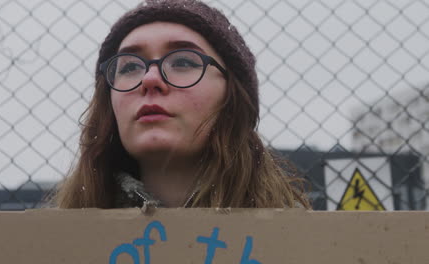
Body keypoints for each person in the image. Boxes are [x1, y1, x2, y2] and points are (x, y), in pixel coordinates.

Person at [51, 0, 311, 209]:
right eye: (130, 66)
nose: (150, 79)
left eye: (184, 62)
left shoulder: (301, 241)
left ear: (232, 96)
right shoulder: (53, 242)